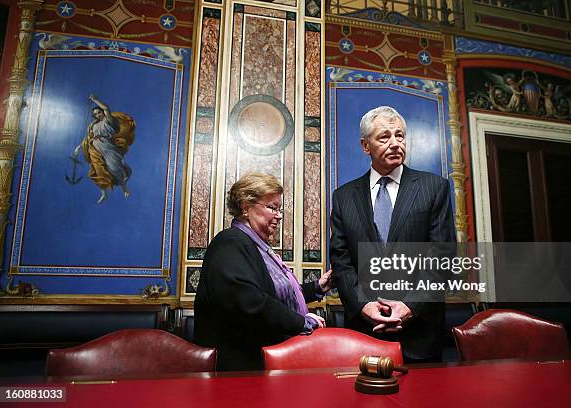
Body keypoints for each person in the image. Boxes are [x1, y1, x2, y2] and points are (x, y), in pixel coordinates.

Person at [329, 106, 456, 362]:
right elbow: (341, 262)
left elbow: (442, 255)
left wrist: (409, 307)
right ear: (366, 146)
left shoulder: (434, 188)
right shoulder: (343, 197)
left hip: (420, 333)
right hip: (365, 334)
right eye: (384, 137)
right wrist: (365, 306)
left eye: (399, 136)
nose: (395, 143)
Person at [194, 172, 333, 371]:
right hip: (238, 369)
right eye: (272, 208)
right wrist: (301, 322)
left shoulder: (254, 245)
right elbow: (249, 303)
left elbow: (272, 294)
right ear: (245, 207)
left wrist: (317, 287)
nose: (279, 215)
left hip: (258, 361)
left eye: (279, 209)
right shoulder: (230, 242)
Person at [73, 94, 135, 203]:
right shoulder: (94, 125)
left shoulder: (108, 121)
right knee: (97, 171)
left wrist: (95, 99)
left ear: (102, 112)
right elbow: (89, 138)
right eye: (95, 114)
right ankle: (103, 194)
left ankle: (125, 188)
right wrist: (79, 147)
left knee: (114, 168)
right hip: (94, 149)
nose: (98, 115)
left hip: (107, 147)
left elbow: (106, 108)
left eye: (99, 112)